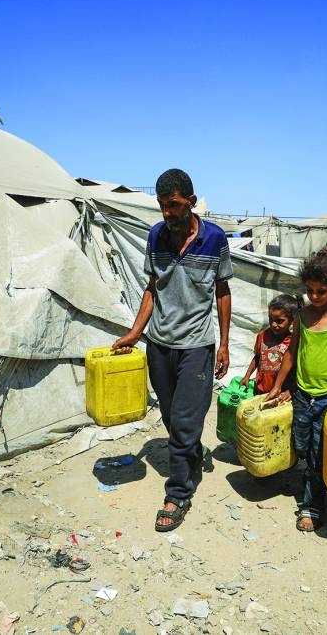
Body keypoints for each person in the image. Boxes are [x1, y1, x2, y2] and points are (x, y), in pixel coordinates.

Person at [112, 168, 232, 533]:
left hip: (197, 346)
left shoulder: (214, 239)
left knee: (183, 421)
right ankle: (190, 454)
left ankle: (177, 494)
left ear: (191, 202)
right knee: (169, 415)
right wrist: (136, 331)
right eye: (163, 205)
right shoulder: (155, 236)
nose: (167, 212)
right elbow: (152, 287)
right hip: (159, 346)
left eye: (174, 205)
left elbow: (222, 292)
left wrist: (224, 343)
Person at [266, 250, 327, 533]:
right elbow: (291, 354)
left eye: (321, 291)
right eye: (310, 291)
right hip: (303, 396)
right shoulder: (302, 316)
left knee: (320, 451)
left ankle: (312, 505)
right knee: (301, 445)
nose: (315, 296)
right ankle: (310, 479)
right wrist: (277, 386)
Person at [240, 294, 300, 396]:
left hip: (281, 391)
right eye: (271, 319)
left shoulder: (293, 343)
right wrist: (247, 376)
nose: (273, 324)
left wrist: (291, 389)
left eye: (279, 321)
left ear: (292, 320)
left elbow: (296, 369)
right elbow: (258, 357)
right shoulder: (262, 336)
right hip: (260, 389)